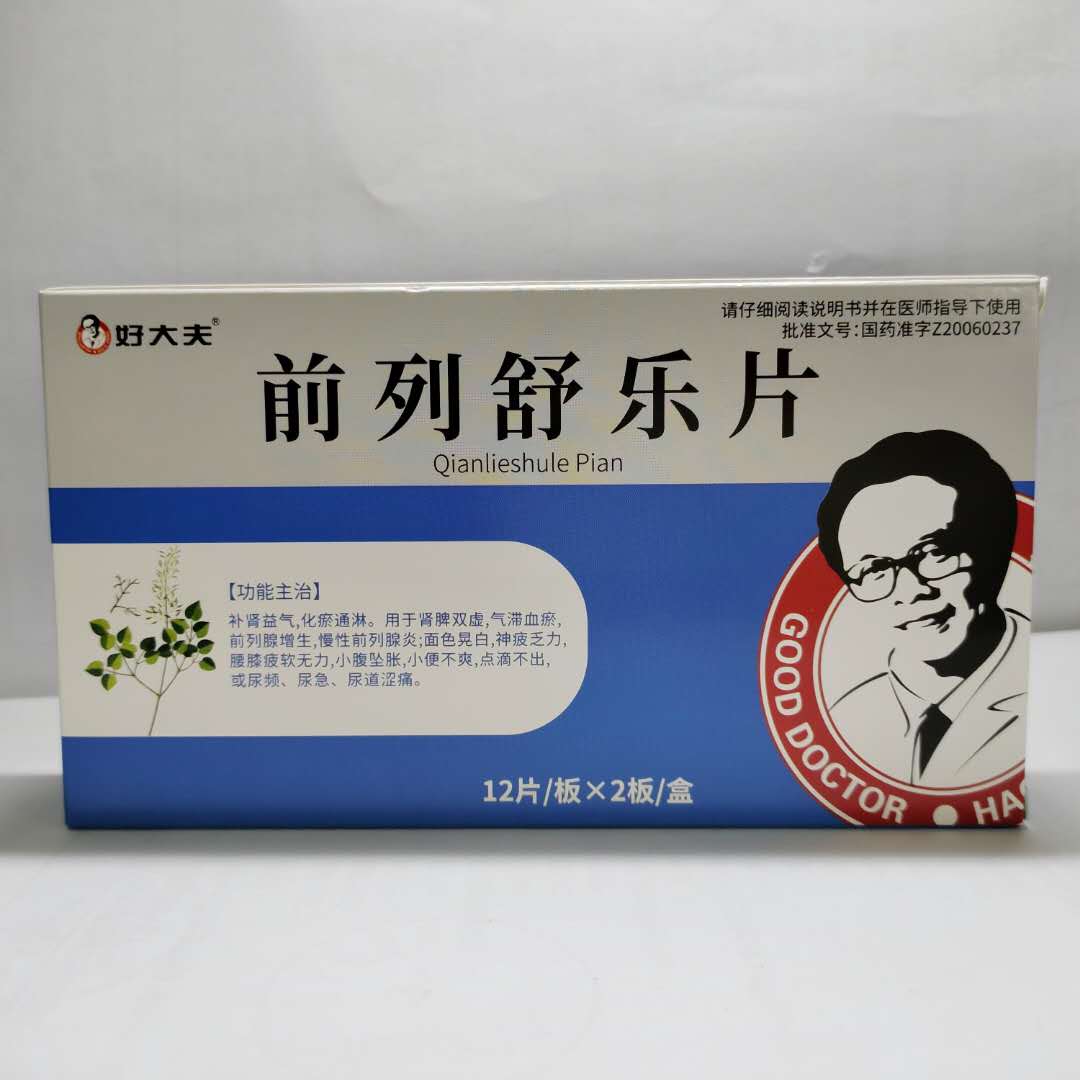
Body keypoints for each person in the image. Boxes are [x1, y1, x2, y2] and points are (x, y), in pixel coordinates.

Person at [816, 430, 1027, 787]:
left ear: (993, 546)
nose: (910, 592)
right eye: (874, 569)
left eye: (933, 553)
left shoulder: (1045, 706)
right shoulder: (845, 714)